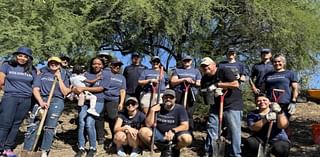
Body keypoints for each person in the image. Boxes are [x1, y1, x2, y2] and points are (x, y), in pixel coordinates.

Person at [23, 56, 71, 157]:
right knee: (33, 125)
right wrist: (41, 102)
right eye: (51, 63)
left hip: (57, 101)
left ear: (59, 65)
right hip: (41, 99)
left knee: (50, 127)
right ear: (48, 64)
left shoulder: (64, 76)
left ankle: (44, 150)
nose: (53, 64)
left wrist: (59, 78)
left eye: (56, 63)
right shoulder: (42, 74)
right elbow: (35, 89)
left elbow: (66, 92)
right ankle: (27, 150)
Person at [200, 57, 243, 157]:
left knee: (233, 131)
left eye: (207, 65)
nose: (205, 68)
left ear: (214, 64)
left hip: (232, 104)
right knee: (212, 127)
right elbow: (207, 100)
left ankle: (235, 154)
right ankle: (210, 152)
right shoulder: (204, 79)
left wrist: (218, 85)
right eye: (203, 66)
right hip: (216, 106)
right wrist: (210, 93)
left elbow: (235, 84)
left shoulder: (224, 71)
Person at [0, 46, 36, 156]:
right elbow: (1, 80)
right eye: (20, 55)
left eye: (25, 57)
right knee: (4, 123)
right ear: (16, 56)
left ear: (28, 59)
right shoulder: (7, 65)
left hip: (26, 99)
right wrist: (6, 91)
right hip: (10, 97)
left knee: (16, 124)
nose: (22, 58)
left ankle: (8, 148)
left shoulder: (32, 70)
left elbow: (35, 86)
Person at [73, 57, 110, 157]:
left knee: (89, 122)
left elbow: (101, 88)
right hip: (85, 101)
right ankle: (81, 147)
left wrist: (83, 88)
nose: (96, 65)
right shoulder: (86, 74)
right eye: (94, 63)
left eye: (99, 64)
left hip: (98, 101)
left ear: (102, 65)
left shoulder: (106, 74)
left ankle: (93, 148)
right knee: (81, 122)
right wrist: (76, 90)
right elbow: (77, 85)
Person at [138, 89, 192, 157]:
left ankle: (175, 148)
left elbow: (185, 126)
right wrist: (152, 111)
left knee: (187, 139)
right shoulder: (157, 107)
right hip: (159, 135)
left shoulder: (180, 108)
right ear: (162, 98)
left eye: (171, 97)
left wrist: (173, 131)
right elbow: (148, 124)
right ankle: (157, 149)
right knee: (142, 131)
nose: (168, 99)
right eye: (166, 97)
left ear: (175, 99)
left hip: (174, 135)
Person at [170, 55, 201, 132]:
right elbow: (173, 82)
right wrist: (183, 79)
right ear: (182, 62)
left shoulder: (196, 71)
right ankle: (177, 130)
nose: (187, 62)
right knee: (178, 111)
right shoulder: (177, 70)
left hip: (192, 94)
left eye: (188, 60)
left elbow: (199, 83)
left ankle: (189, 131)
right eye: (185, 60)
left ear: (191, 61)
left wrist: (192, 82)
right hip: (179, 93)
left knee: (189, 113)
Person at [103, 58, 126, 142]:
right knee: (98, 117)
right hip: (102, 98)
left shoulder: (122, 77)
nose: (118, 67)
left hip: (114, 100)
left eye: (119, 65)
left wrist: (121, 103)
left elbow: (122, 91)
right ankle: (100, 137)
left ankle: (114, 137)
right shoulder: (105, 73)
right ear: (111, 65)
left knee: (112, 118)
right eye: (116, 65)